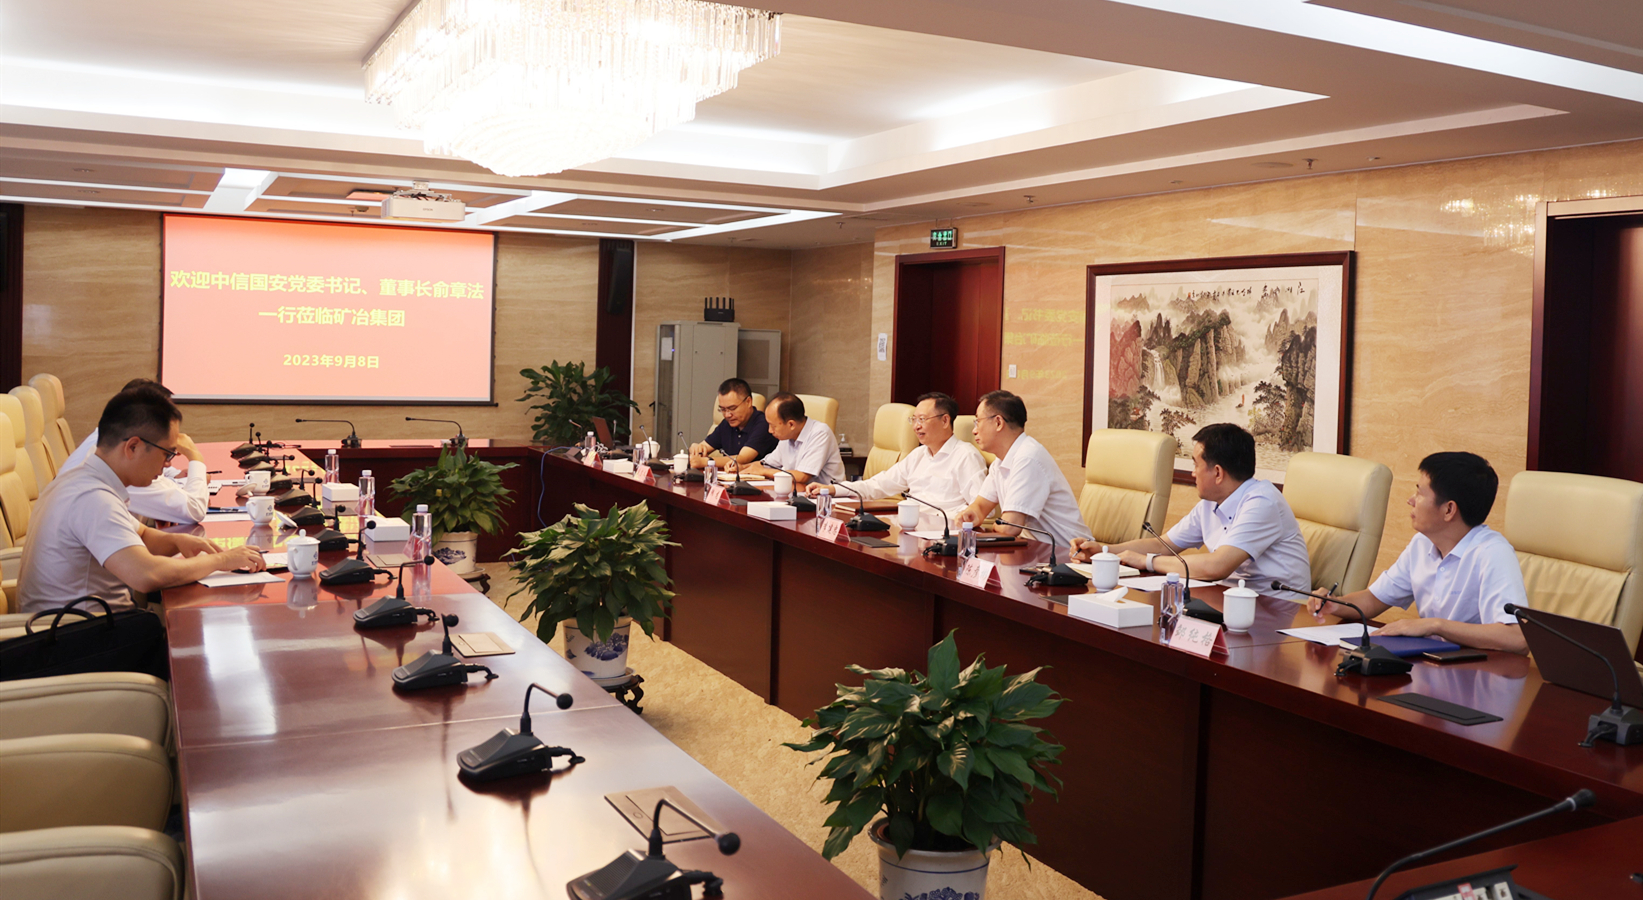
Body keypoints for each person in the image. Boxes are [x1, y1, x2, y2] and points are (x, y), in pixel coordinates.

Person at [18, 386, 265, 615]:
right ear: (133, 447)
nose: (167, 464)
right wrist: (221, 561)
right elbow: (147, 575)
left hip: (80, 626)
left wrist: (179, 541)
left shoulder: (82, 479)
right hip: (77, 633)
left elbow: (142, 535)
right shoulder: (93, 498)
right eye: (167, 454)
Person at [1308, 452, 1528, 652]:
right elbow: (1374, 600)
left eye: (1420, 493)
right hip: (1432, 664)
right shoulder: (1422, 544)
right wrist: (1336, 603)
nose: (1410, 500)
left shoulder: (1492, 553)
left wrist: (1435, 625)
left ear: (1449, 509)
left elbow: (1517, 638)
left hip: (1477, 673)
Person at [1074, 423, 1310, 592]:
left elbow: (1217, 566)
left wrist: (1147, 562)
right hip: (1229, 599)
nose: (1192, 473)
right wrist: (1104, 551)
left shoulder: (1262, 502)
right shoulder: (1211, 502)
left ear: (1217, 473)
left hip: (1279, 611)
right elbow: (1162, 545)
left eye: (1196, 465)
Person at [806, 392, 985, 524]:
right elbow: (878, 485)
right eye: (914, 420)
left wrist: (949, 519)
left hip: (943, 530)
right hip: (910, 525)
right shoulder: (918, 455)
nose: (916, 426)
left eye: (922, 419)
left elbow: (981, 508)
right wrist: (833, 489)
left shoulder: (965, 456)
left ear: (945, 421)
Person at [60, 377, 210, 523]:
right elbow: (193, 510)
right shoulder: (117, 466)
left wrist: (178, 476)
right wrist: (195, 456)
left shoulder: (109, 442)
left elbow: (144, 532)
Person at [955, 390, 1092, 549]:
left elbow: (1010, 528)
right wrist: (969, 515)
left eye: (978, 421)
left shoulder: (1028, 458)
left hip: (1068, 554)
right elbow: (980, 507)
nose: (974, 430)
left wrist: (997, 524)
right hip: (1036, 551)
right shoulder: (1000, 461)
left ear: (998, 423)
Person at [739, 392, 844, 486]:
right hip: (798, 493)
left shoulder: (820, 433)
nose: (770, 430)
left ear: (791, 424)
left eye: (773, 426)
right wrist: (742, 467)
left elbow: (802, 476)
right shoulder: (787, 436)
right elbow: (767, 464)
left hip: (828, 497)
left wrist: (763, 471)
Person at [689, 378, 777, 469]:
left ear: (748, 402)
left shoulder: (764, 424)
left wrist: (705, 462)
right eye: (723, 409)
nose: (727, 415)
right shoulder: (727, 423)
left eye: (732, 408)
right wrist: (697, 448)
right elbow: (704, 446)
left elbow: (742, 458)